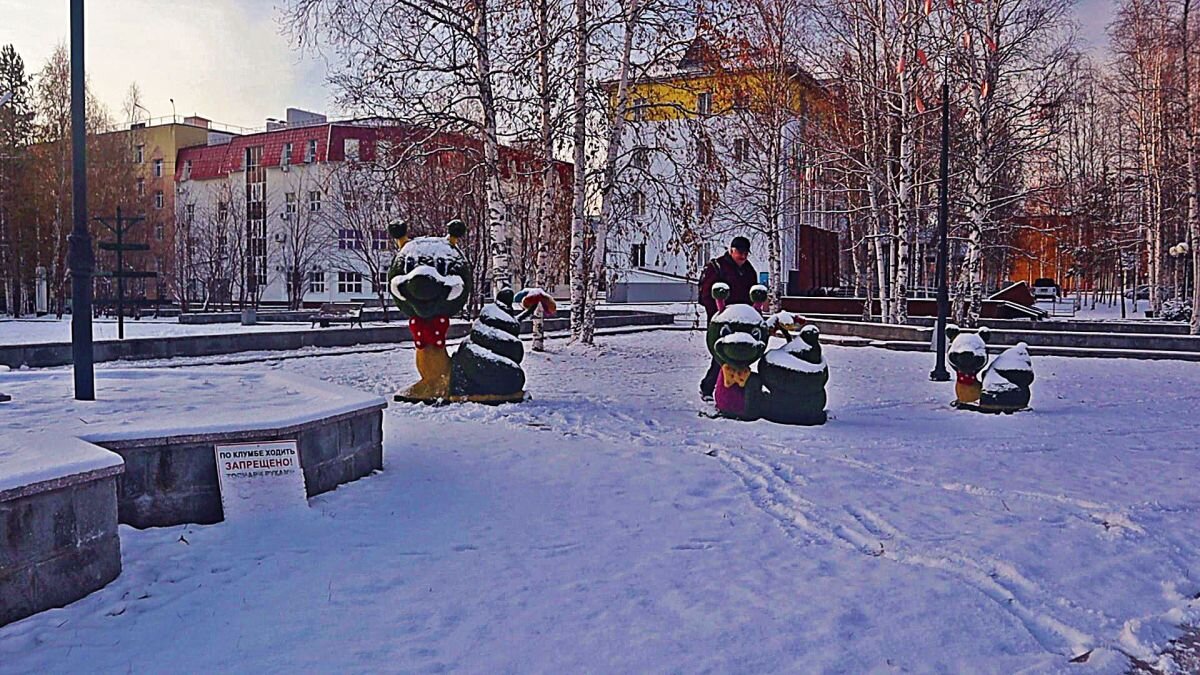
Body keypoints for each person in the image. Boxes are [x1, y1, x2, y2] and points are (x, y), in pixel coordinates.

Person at [698, 236, 759, 400]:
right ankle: (708, 387)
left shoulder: (749, 270)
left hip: (742, 319)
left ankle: (732, 389)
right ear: (731, 250)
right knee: (721, 353)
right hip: (722, 319)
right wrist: (718, 315)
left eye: (746, 253)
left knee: (739, 353)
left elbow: (752, 293)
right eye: (740, 252)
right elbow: (707, 295)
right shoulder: (717, 267)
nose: (743, 256)